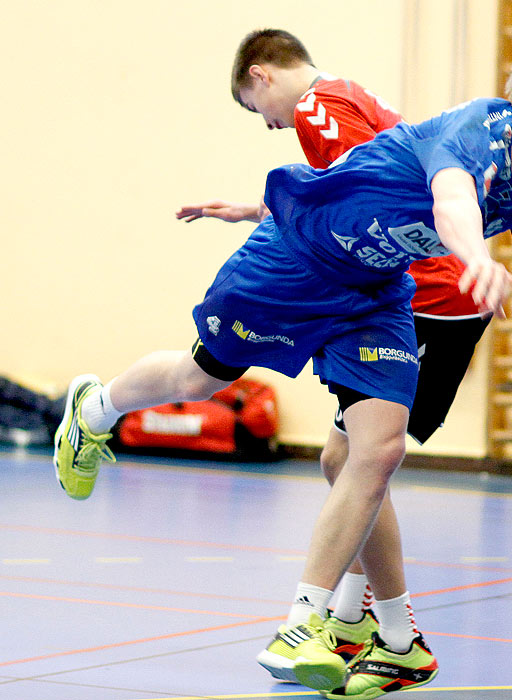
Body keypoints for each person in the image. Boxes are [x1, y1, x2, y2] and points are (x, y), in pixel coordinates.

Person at [54, 47, 512, 696]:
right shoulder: (476, 131)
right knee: (199, 380)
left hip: (374, 290)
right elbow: (451, 202)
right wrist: (472, 256)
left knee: (375, 451)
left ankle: (303, 624)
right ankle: (94, 409)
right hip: (297, 262)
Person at [174, 29, 492, 683]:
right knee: (342, 458)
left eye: (255, 108)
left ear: (261, 75)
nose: (269, 125)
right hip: (436, 295)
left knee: (362, 457)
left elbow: (360, 200)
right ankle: (354, 625)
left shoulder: (318, 110)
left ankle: (371, 629)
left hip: (430, 299)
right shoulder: (345, 99)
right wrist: (256, 209)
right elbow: (352, 189)